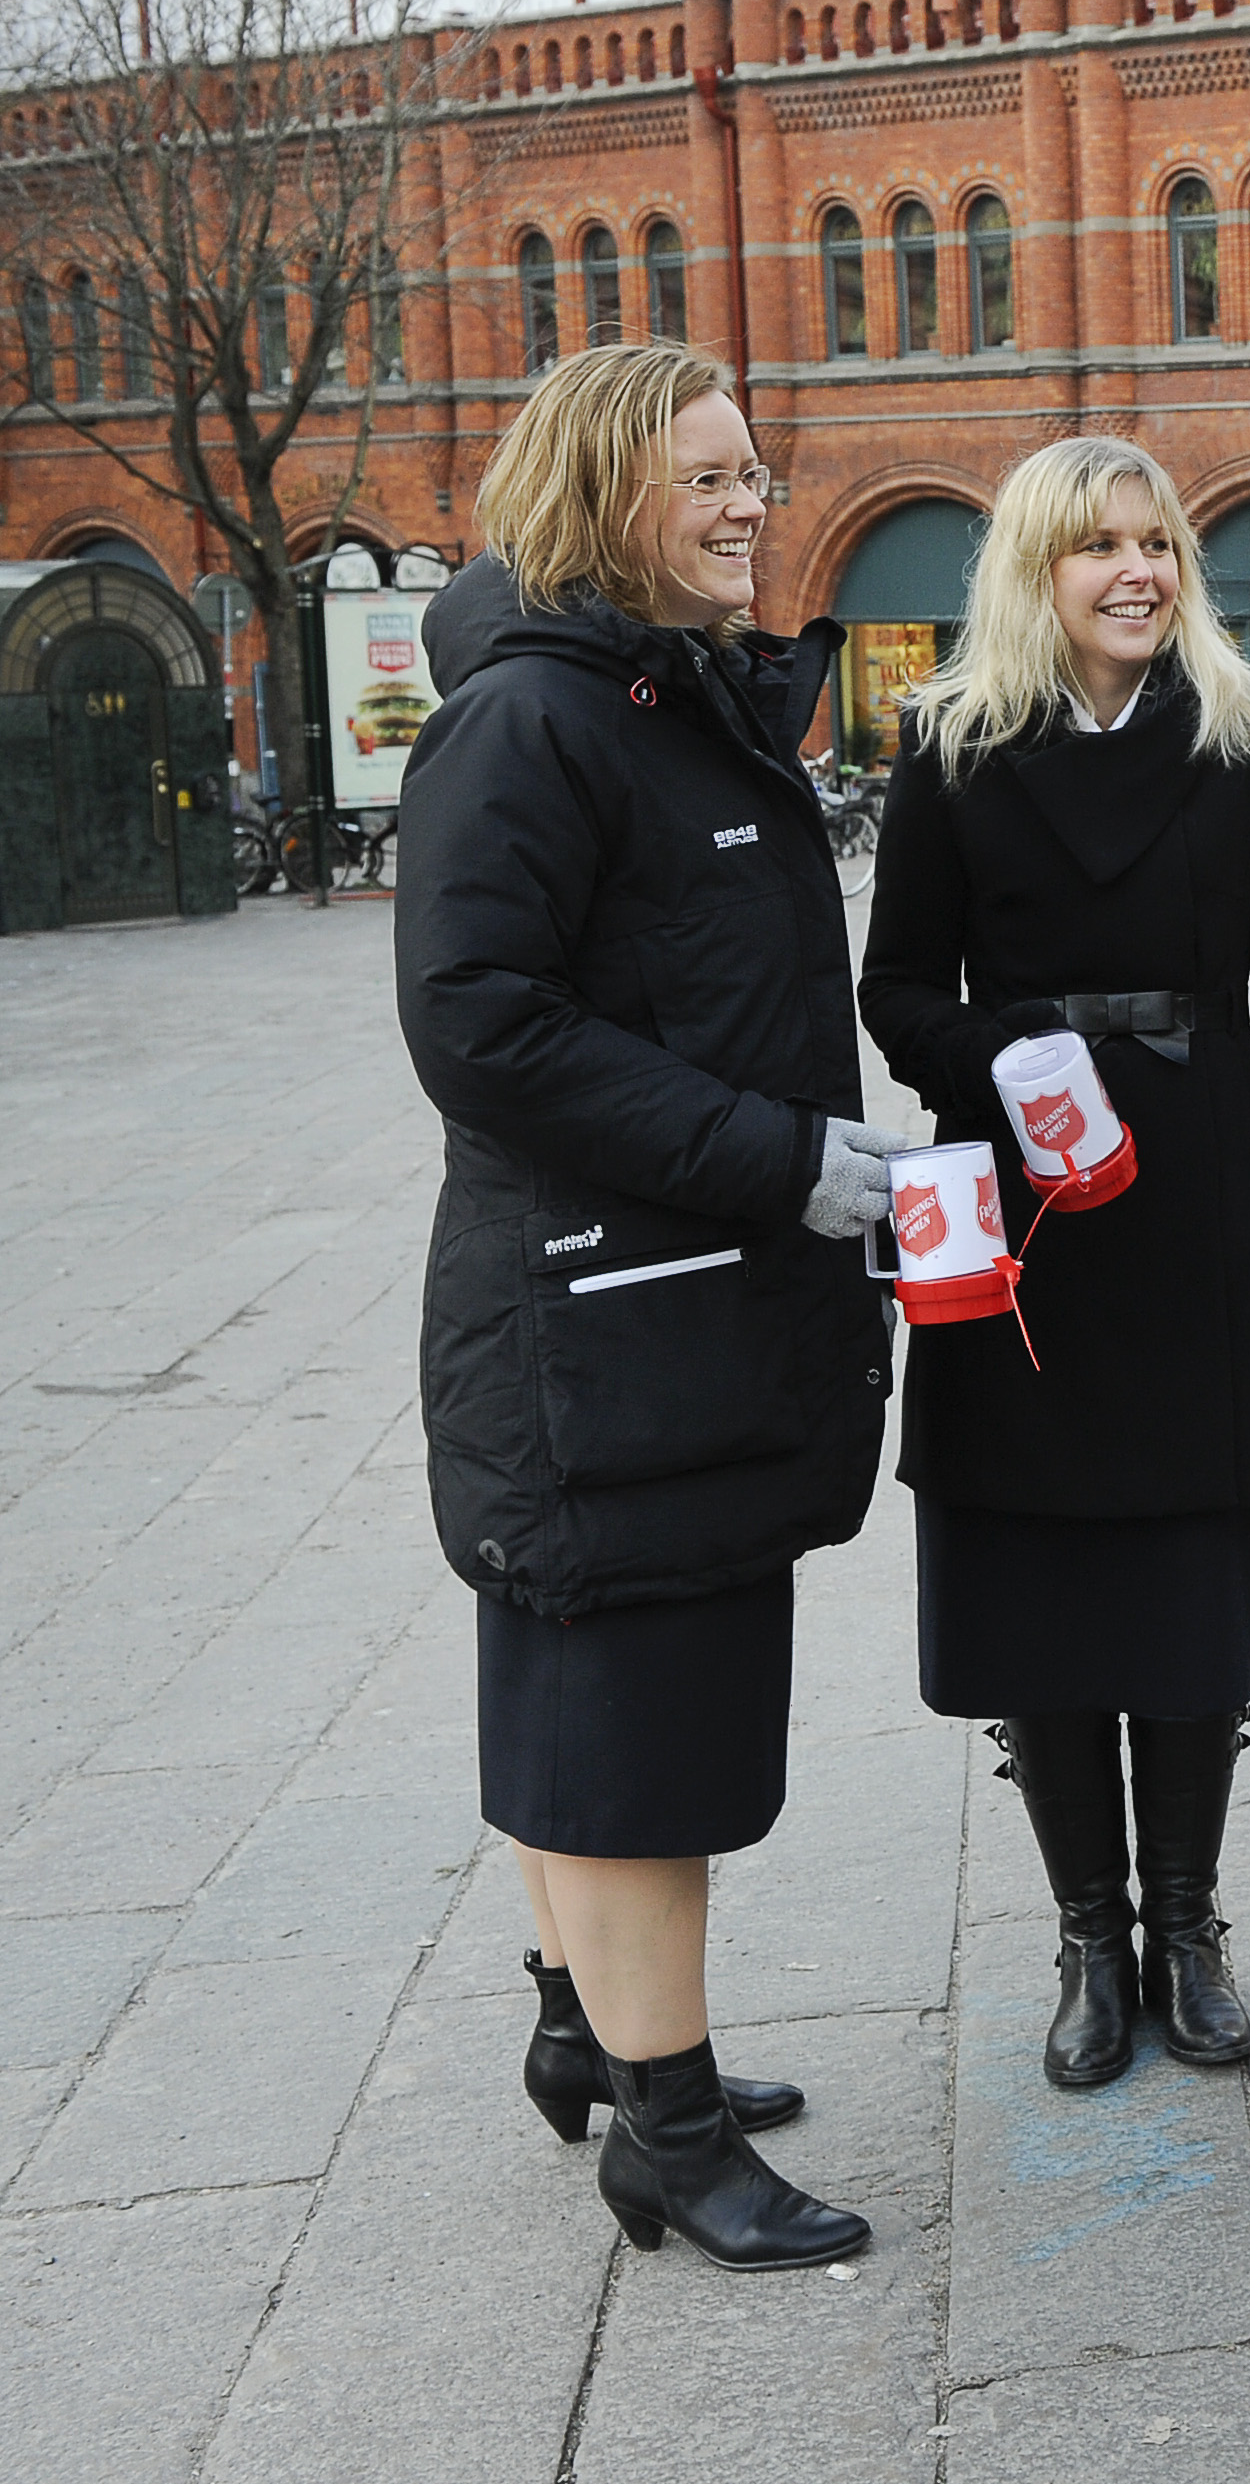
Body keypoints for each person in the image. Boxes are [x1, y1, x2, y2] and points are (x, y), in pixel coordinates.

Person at [394, 341, 886, 2271]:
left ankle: (592, 2031)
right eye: (708, 477)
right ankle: (668, 2136)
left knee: (596, 1714)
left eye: (755, 468)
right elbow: (482, 1026)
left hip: (669, 1312)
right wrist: (778, 1159)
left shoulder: (662, 696)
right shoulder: (536, 728)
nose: (753, 501)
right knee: (629, 1739)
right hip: (604, 1331)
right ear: (608, 493)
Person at [860, 437, 1250, 2093]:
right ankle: (1090, 1929)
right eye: (1098, 549)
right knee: (1045, 1596)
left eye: (1156, 544)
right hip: (1022, 1229)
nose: (1136, 573)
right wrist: (1011, 1051)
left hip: (1202, 1213)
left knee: (1185, 1602)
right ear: (1035, 570)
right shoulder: (951, 741)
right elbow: (896, 993)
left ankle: (1191, 1928)